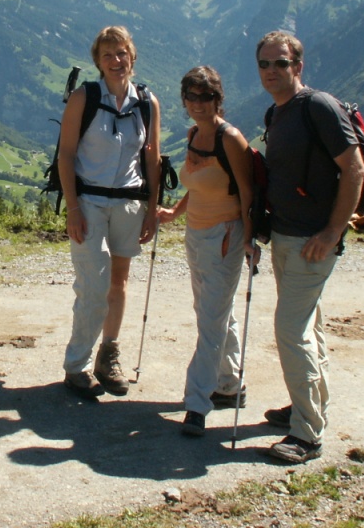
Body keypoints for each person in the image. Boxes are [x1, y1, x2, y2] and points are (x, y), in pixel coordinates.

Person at [256, 31, 364, 463]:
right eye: (264, 64)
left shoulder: (318, 107)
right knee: (308, 327)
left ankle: (306, 434)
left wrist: (332, 232)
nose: (271, 71)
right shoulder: (277, 113)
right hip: (285, 234)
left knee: (290, 329)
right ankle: (307, 407)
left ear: (298, 67)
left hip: (311, 242)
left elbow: (353, 169)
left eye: (280, 63)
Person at [58, 25, 162, 400]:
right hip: (88, 202)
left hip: (129, 203)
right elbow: (65, 155)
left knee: (118, 284)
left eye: (121, 53)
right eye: (108, 55)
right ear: (98, 62)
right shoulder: (84, 98)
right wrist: (72, 207)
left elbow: (152, 158)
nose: (116, 60)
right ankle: (77, 365)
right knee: (94, 284)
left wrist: (152, 209)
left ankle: (108, 355)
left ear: (132, 57)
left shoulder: (147, 103)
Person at [157, 66, 256, 437]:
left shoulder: (230, 139)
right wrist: (174, 212)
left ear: (218, 99)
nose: (198, 104)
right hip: (196, 233)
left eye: (206, 96)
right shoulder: (194, 135)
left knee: (210, 321)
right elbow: (198, 186)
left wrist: (250, 236)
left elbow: (247, 190)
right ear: (184, 99)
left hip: (225, 236)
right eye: (192, 96)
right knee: (212, 311)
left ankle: (197, 403)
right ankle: (230, 385)